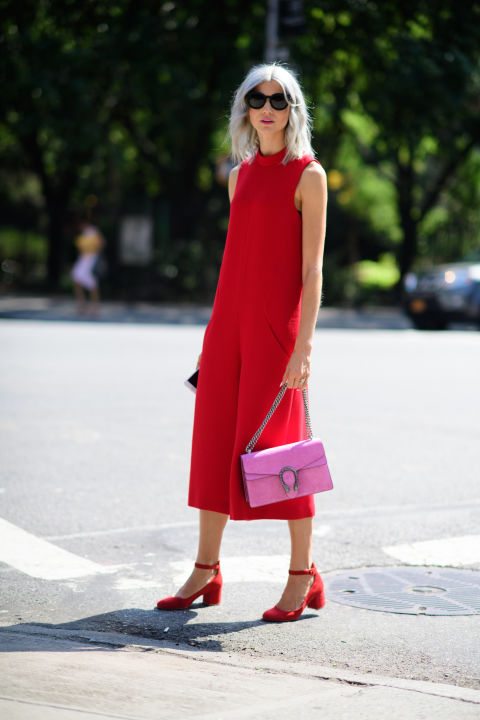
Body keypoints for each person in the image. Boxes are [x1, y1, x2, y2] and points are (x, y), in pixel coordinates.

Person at [157, 63, 328, 622]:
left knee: (282, 456)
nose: (268, 108)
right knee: (212, 447)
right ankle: (207, 569)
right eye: (257, 98)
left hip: (277, 336)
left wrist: (303, 347)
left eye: (279, 100)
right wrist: (212, 337)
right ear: (245, 108)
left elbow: (311, 270)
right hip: (227, 330)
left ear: (292, 109)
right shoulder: (239, 175)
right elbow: (236, 263)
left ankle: (302, 575)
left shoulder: (309, 176)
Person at [71, 219, 105, 316]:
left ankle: (94, 307)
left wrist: (95, 252)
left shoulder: (93, 231)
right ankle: (83, 305)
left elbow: (101, 243)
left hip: (90, 260)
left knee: (92, 284)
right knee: (77, 279)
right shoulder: (84, 234)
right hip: (84, 260)